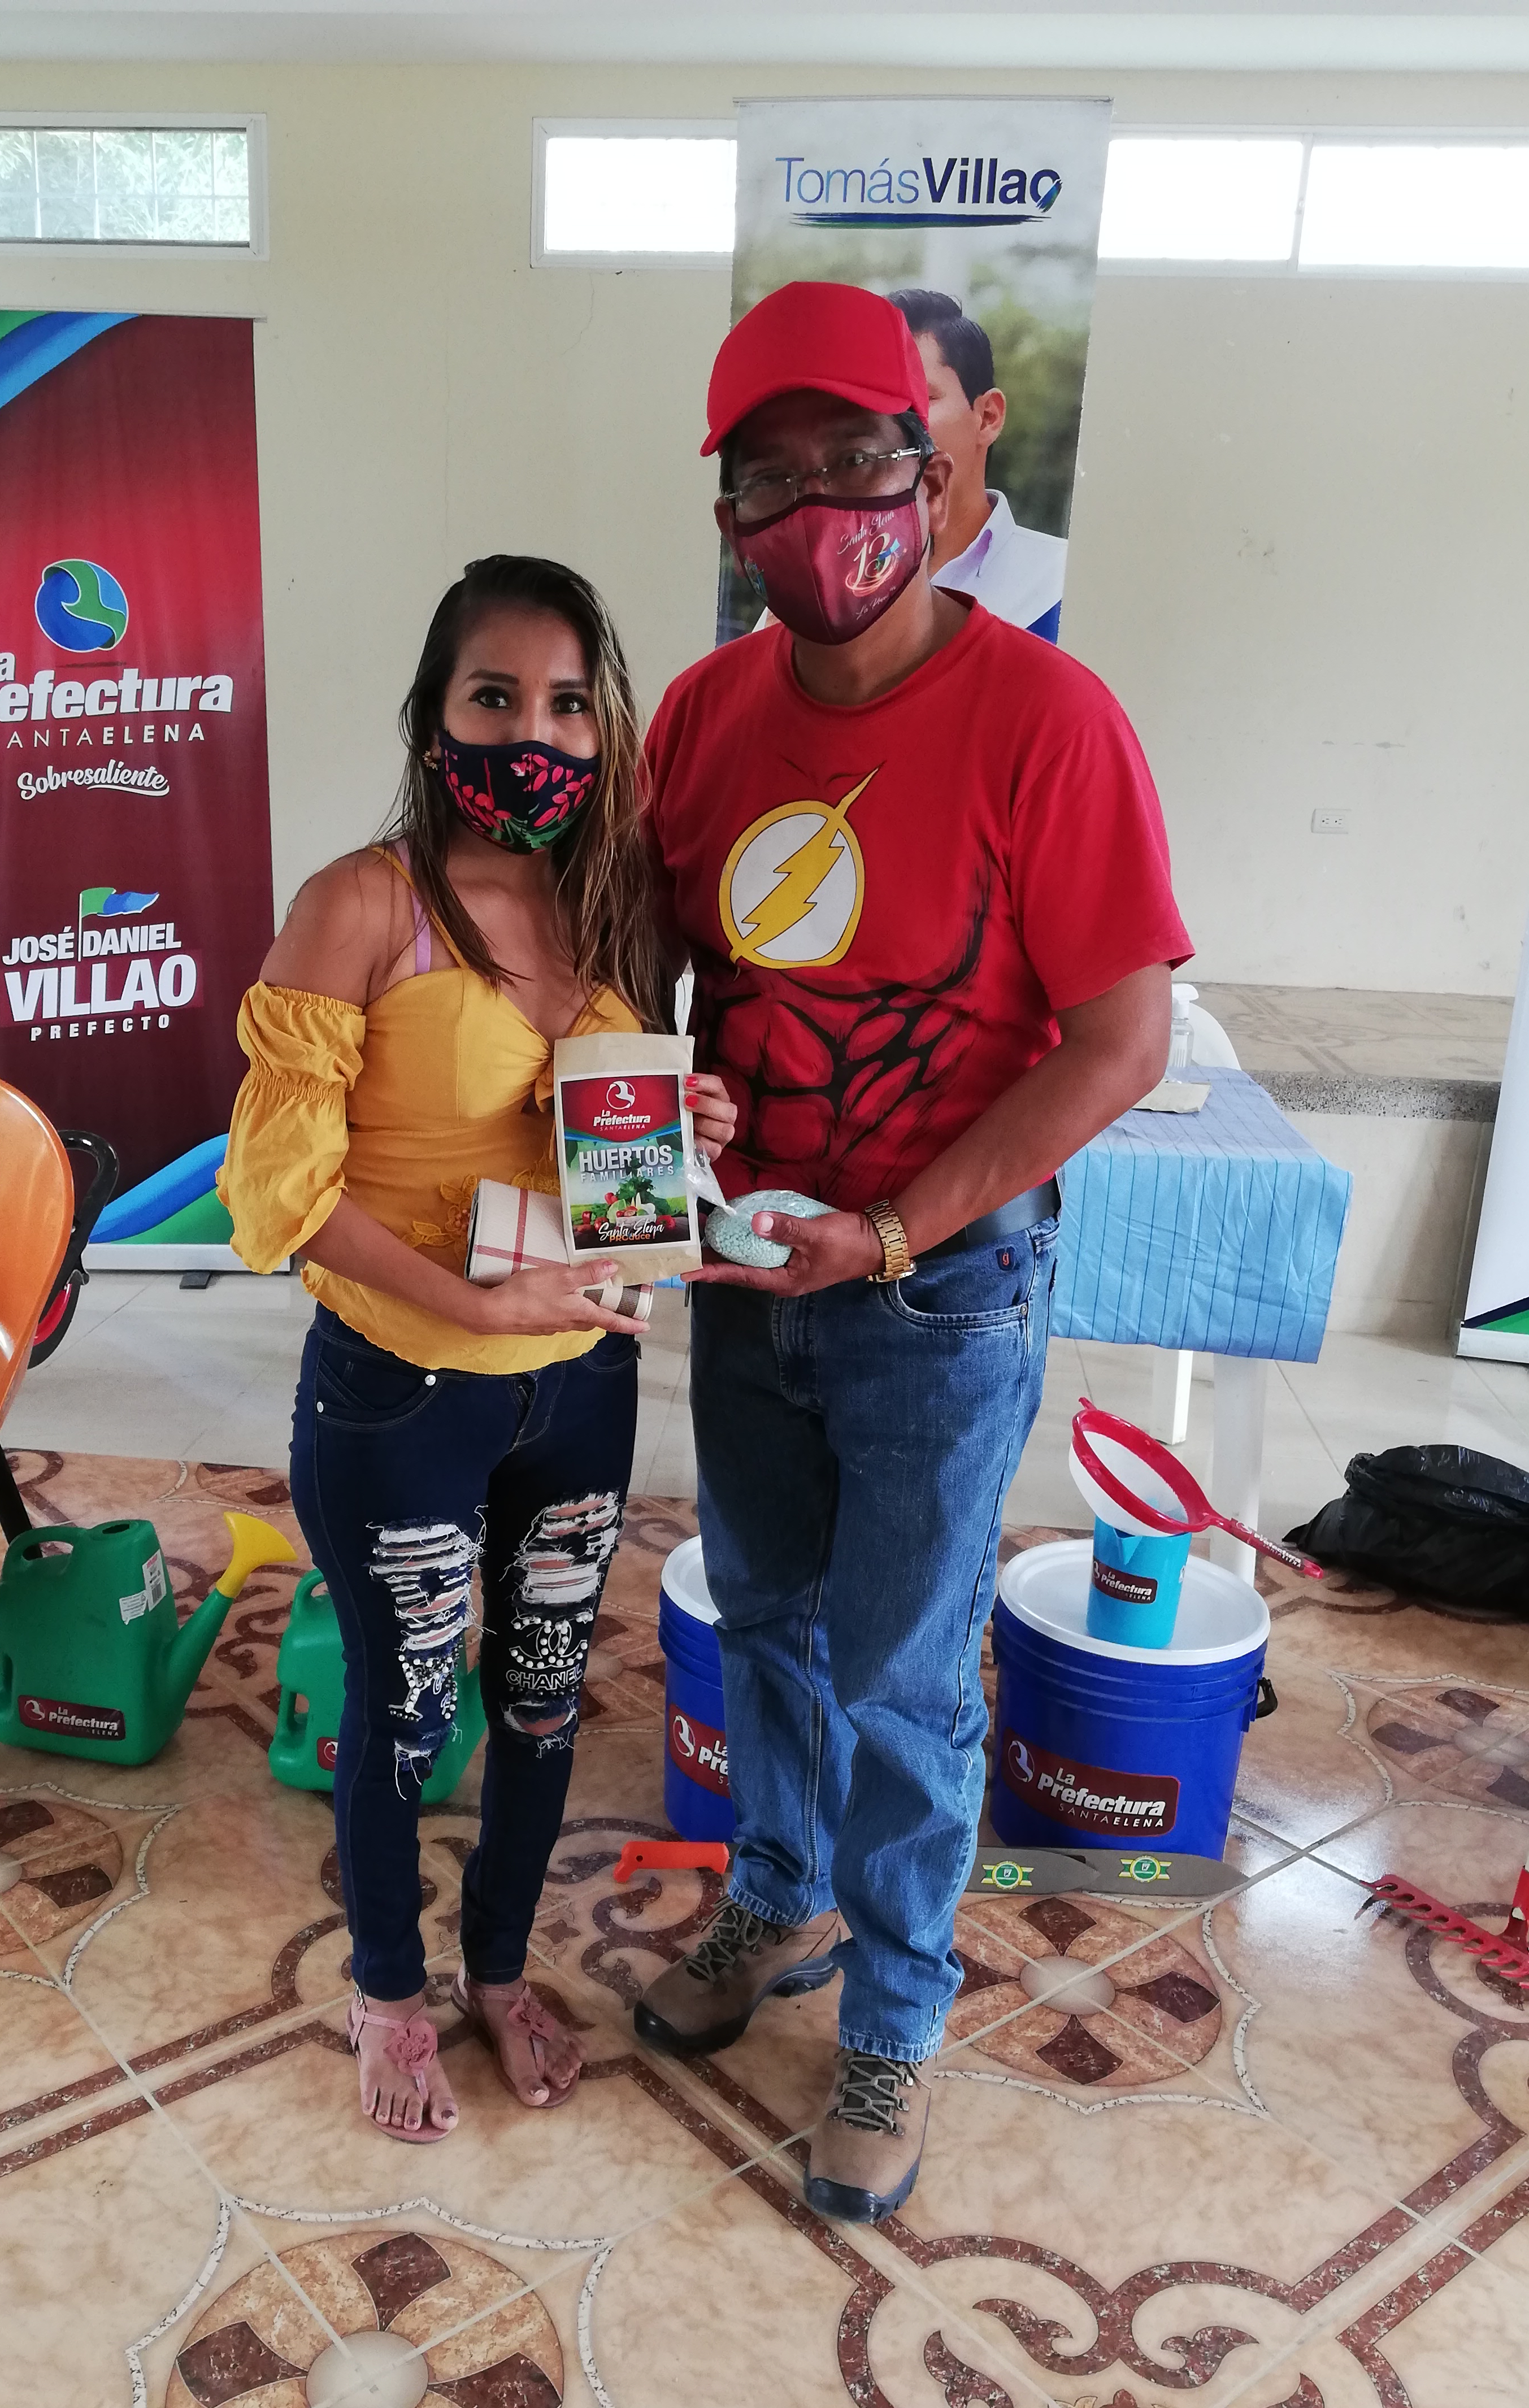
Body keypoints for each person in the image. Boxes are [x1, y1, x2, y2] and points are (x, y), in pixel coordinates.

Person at [633, 281, 1190, 2222]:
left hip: (936, 1289)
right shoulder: (701, 717)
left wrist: (885, 1229)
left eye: (856, 458)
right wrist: (656, 1119)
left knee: (900, 1669)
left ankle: (892, 2004)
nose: (819, 509)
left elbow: (1119, 1040)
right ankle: (775, 1895)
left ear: (933, 469)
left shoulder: (1050, 721)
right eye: (769, 476)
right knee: (763, 1616)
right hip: (746, 1271)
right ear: (729, 513)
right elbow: (645, 984)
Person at [220, 554, 735, 2144]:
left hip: (581, 1383)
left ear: (605, 725)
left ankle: (500, 1969)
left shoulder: (625, 911)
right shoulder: (362, 905)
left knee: (541, 1699)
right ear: (433, 713)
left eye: (567, 704)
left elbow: (614, 1151)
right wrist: (471, 1306)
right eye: (494, 696)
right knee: (402, 1712)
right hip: (404, 1393)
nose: (533, 733)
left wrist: (689, 1127)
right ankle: (388, 1989)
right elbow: (279, 1195)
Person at [887, 285, 1067, 640]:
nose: (892, 426)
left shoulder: (1060, 582)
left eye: (918, 399)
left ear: (988, 417)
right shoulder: (832, 586)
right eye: (876, 406)